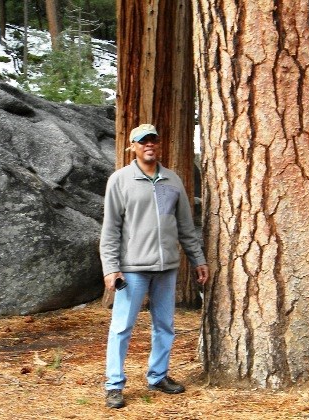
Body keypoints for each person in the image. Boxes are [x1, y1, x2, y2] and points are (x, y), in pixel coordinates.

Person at [100, 123, 209, 409]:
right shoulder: (120, 180)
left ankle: (158, 376)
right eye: (142, 141)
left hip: (167, 268)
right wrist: (111, 268)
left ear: (159, 145)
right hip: (133, 268)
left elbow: (186, 226)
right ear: (133, 146)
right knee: (122, 326)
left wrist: (198, 259)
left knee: (165, 326)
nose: (149, 144)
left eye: (153, 140)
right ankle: (114, 384)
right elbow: (110, 229)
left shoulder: (173, 181)